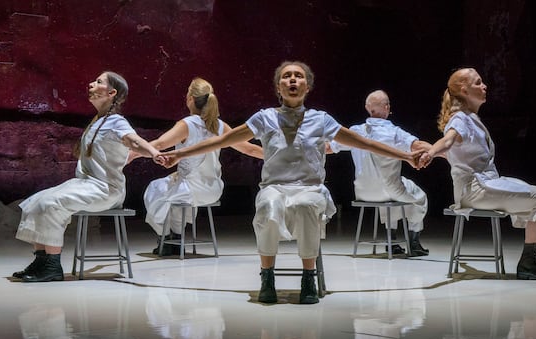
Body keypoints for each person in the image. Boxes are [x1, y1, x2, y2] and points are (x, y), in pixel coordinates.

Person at [161, 61, 424, 304]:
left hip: (310, 187)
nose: (293, 80)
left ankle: (308, 278)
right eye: (287, 76)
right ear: (279, 87)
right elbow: (221, 140)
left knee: (306, 206)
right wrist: (180, 154)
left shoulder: (321, 120)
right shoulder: (264, 117)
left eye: (298, 76)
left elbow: (365, 143)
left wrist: (406, 156)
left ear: (307, 87)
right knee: (268, 205)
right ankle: (267, 276)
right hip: (274, 187)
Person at [13, 71, 166, 282]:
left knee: (50, 204)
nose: (91, 83)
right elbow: (125, 152)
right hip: (85, 184)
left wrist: (153, 153)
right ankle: (41, 261)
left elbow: (134, 141)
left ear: (111, 93)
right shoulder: (97, 121)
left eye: (99, 82)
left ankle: (52, 266)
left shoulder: (116, 121)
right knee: (36, 201)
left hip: (105, 189)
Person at [422, 67, 536, 280]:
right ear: (464, 90)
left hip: (483, 185)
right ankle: (528, 263)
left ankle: (530, 260)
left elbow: (455, 155)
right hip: (476, 189)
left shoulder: (470, 118)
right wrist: (431, 152)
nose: (484, 86)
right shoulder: (460, 119)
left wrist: (433, 153)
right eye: (478, 82)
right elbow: (447, 141)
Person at [134, 77, 264, 256]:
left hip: (190, 188)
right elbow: (249, 149)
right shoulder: (220, 126)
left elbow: (159, 144)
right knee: (168, 190)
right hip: (213, 189)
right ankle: (173, 238)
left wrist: (131, 154)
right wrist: (278, 156)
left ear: (190, 99)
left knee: (155, 190)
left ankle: (168, 237)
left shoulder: (187, 124)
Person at [329, 89, 431, 256]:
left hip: (362, 192)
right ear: (387, 107)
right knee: (419, 197)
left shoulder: (355, 132)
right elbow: (418, 146)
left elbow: (329, 148)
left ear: (367, 108)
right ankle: (414, 241)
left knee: (391, 193)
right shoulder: (394, 132)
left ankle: (392, 240)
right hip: (391, 190)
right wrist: (441, 152)